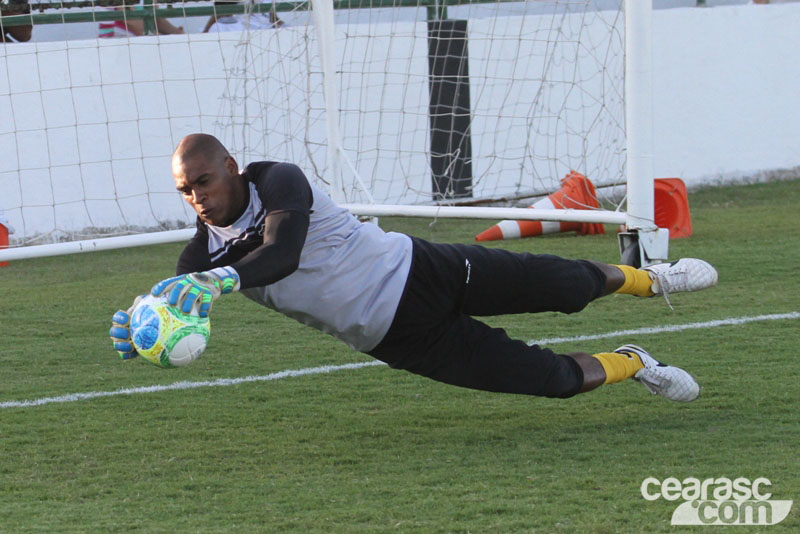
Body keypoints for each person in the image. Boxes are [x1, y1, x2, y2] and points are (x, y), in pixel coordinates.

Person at [110, 133, 719, 402]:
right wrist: (143, 324)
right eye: (185, 190)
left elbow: (283, 250)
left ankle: (651, 279)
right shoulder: (200, 257)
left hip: (422, 268)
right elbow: (173, 295)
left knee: (565, 285)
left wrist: (222, 279)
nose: (196, 197)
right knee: (548, 380)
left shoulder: (277, 178)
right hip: (397, 337)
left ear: (232, 166)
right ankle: (637, 363)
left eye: (203, 181)